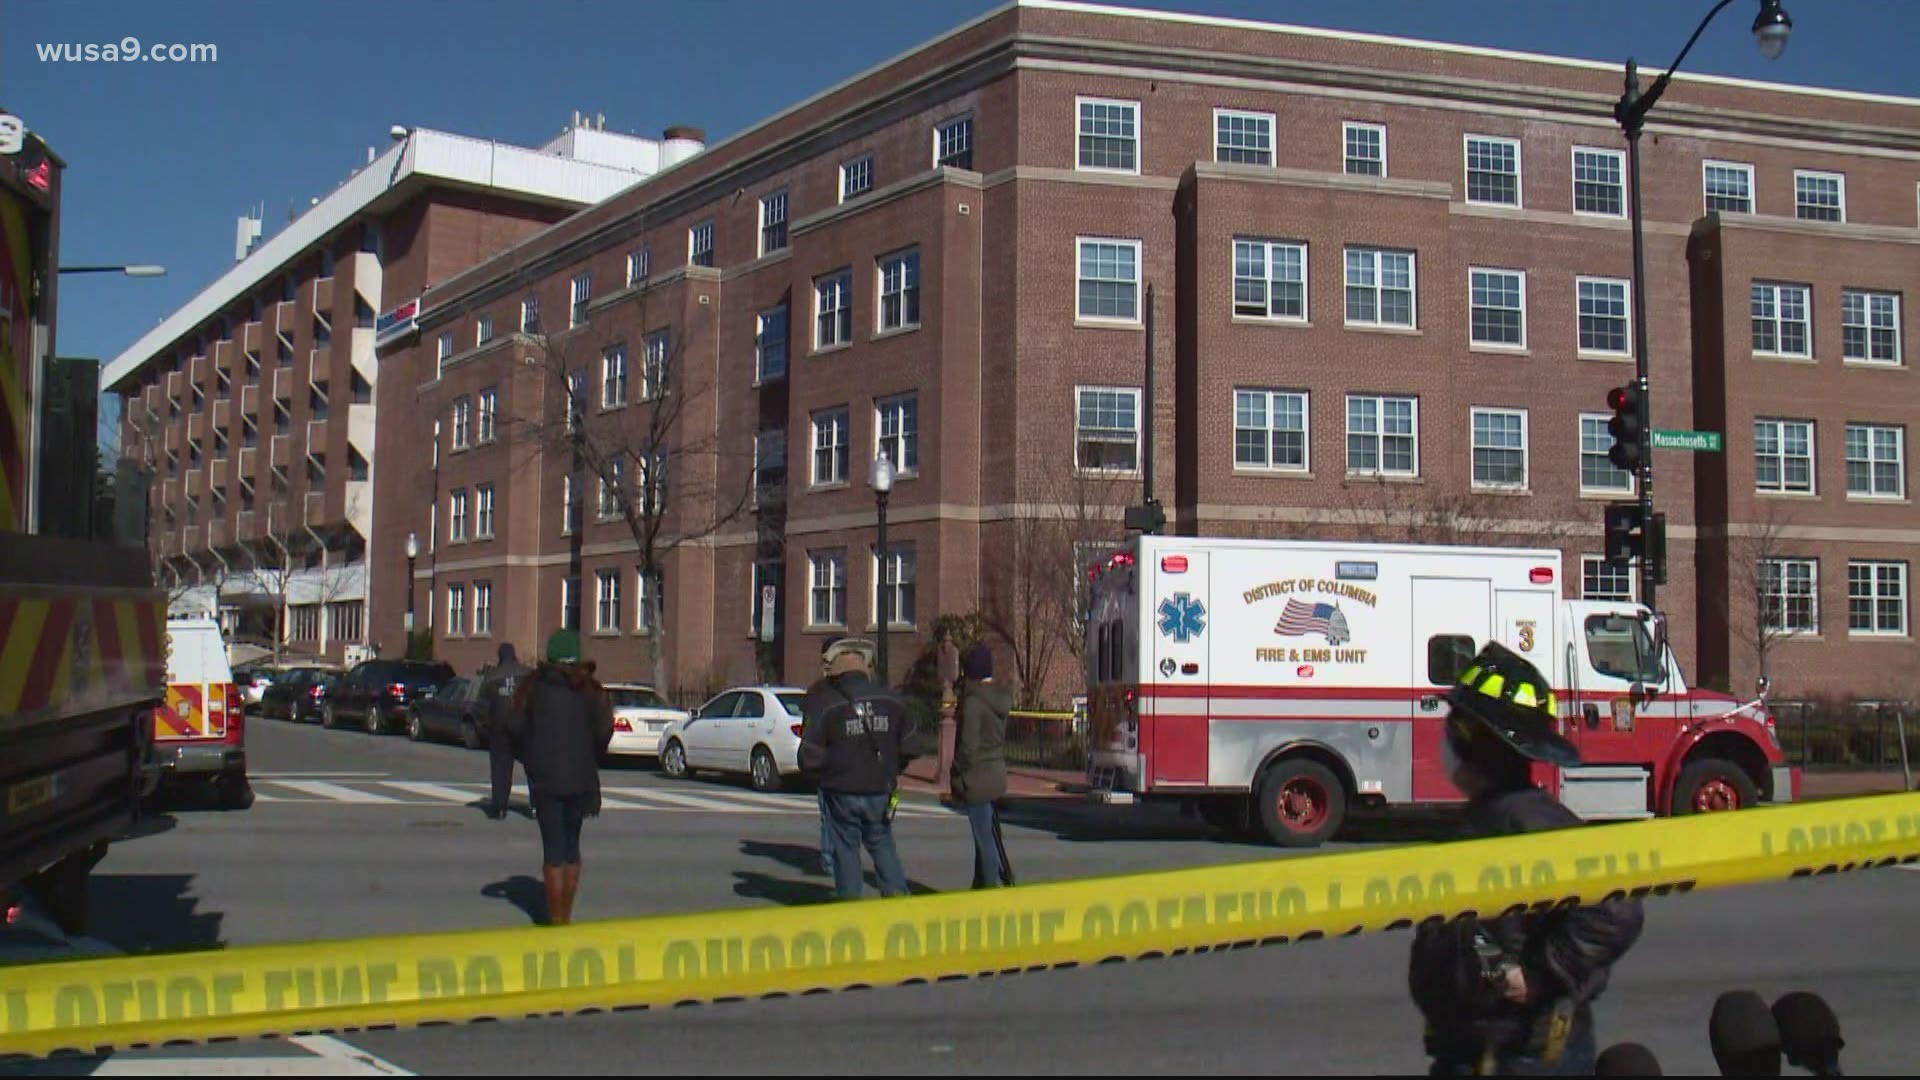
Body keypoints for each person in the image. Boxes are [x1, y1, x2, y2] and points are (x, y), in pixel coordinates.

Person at [1408, 643, 1645, 1076]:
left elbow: (1617, 907)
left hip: (1519, 1057)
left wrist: (1539, 974)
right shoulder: (1492, 819)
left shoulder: (1528, 824)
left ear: (1470, 740)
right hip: (1485, 1052)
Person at [798, 636, 929, 899]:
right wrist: (892, 767)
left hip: (841, 791)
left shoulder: (826, 703)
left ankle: (852, 908)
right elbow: (913, 744)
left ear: (836, 672)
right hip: (880, 788)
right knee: (882, 845)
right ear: (864, 668)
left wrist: (828, 771)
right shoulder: (891, 700)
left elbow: (808, 757)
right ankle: (897, 902)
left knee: (846, 851)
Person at [505, 629, 613, 926]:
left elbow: (513, 726)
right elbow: (605, 730)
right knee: (571, 847)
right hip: (581, 778)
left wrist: (530, 755)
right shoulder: (591, 690)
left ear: (549, 657)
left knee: (552, 849)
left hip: (545, 778)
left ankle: (556, 920)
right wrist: (590, 752)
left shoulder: (532, 687)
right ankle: (565, 915)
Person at [952, 643, 1014, 889]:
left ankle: (989, 888)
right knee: (986, 833)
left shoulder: (973, 703)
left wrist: (957, 772)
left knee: (983, 839)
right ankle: (979, 885)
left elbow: (968, 746)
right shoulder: (999, 699)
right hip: (996, 771)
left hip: (976, 775)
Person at [477, 642, 531, 819]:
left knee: (501, 769)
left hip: (499, 728)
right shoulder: (528, 674)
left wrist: (486, 727)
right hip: (524, 726)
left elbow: (482, 706)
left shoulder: (491, 677)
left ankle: (500, 807)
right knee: (533, 768)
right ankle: (537, 807)